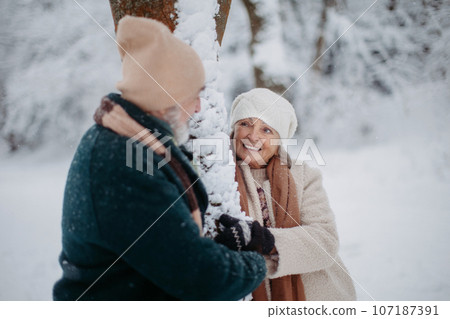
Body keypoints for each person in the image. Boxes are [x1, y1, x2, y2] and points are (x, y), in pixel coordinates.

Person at [53, 16, 268, 301]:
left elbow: (161, 246)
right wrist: (256, 261)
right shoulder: (124, 162)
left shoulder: (126, 139)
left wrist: (220, 246)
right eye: (194, 94)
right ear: (168, 97)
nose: (198, 106)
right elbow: (198, 275)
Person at [213, 88, 357, 301]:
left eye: (267, 130)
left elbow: (325, 240)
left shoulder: (304, 175)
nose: (253, 136)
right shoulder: (218, 174)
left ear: (280, 139)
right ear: (233, 129)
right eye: (245, 124)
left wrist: (264, 240)